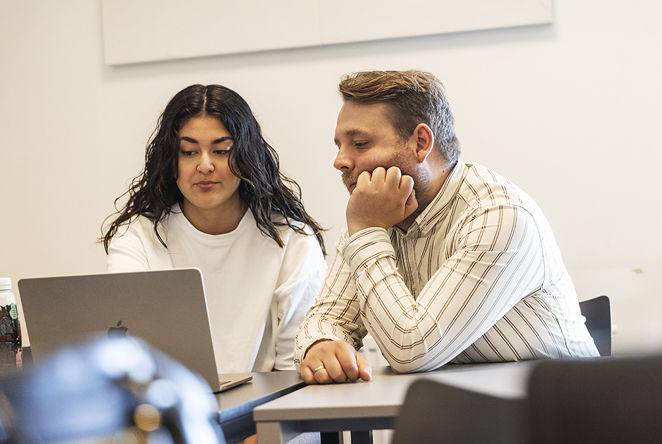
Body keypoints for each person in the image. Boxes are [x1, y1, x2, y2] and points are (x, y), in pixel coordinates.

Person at [294, 70, 598, 384]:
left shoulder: (500, 215)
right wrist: (321, 345)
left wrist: (367, 231)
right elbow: (326, 319)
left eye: (360, 144)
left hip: (559, 419)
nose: (340, 161)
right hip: (465, 416)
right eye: (339, 145)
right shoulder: (373, 216)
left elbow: (411, 350)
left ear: (421, 142)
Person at [101, 84, 327, 373]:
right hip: (166, 409)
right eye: (189, 152)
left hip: (263, 411)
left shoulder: (292, 240)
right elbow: (127, 355)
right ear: (172, 162)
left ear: (246, 157)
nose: (205, 165)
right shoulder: (139, 236)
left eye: (221, 151)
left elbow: (293, 368)